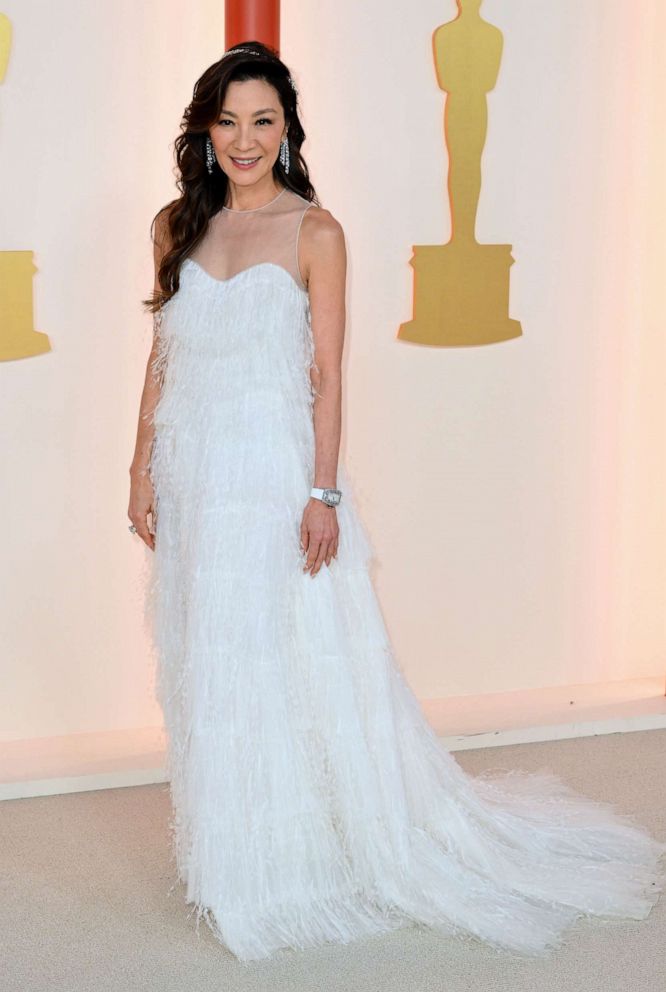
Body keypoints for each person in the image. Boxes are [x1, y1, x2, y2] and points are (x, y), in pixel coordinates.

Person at [128, 41, 665, 964]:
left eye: (263, 120)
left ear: (288, 129)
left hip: (271, 476)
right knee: (211, 666)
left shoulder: (316, 232)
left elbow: (330, 374)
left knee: (288, 659)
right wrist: (140, 466)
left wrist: (323, 492)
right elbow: (162, 354)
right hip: (194, 478)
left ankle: (296, 859)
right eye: (228, 121)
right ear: (205, 130)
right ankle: (235, 861)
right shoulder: (176, 223)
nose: (245, 140)